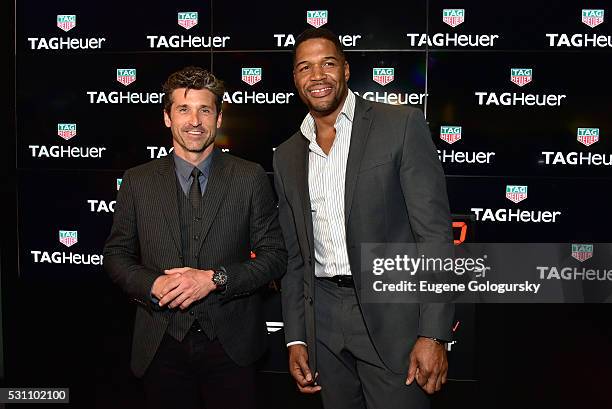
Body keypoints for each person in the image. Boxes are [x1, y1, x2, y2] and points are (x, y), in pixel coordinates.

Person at [273, 28, 454, 409]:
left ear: (346, 69)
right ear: (295, 79)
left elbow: (434, 235)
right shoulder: (286, 154)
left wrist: (434, 334)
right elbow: (294, 259)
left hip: (394, 320)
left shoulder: (399, 125)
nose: (317, 76)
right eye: (305, 67)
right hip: (321, 320)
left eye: (328, 63)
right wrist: (297, 338)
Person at [103, 66, 287, 409]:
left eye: (205, 109)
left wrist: (215, 279)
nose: (195, 121)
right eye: (183, 109)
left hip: (232, 345)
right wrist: (153, 284)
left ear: (218, 118)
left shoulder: (249, 177)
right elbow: (116, 254)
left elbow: (274, 256)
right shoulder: (137, 181)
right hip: (159, 343)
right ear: (167, 118)